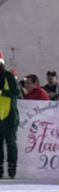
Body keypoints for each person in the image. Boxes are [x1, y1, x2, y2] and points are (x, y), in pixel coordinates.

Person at [0, 50, 20, 179]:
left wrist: (3, 93)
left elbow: (16, 92)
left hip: (10, 115)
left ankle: (12, 166)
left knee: (11, 142)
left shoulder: (8, 76)